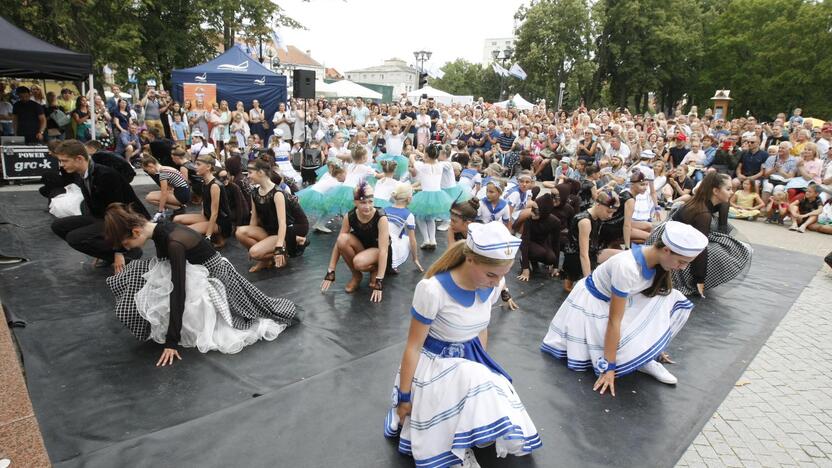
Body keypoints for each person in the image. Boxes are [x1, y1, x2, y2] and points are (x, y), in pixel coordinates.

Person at [384, 222, 541, 467]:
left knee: (492, 384)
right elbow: (413, 347)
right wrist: (405, 398)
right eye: (491, 274)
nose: (497, 282)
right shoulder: (432, 290)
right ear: (470, 259)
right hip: (433, 367)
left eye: (504, 274)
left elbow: (481, 328)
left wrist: (480, 371)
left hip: (467, 363)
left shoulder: (493, 285)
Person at [103, 203, 298, 366]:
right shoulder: (158, 231)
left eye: (127, 244)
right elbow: (167, 268)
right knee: (137, 272)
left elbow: (177, 291)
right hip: (192, 269)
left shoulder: (173, 241)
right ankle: (141, 320)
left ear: (136, 231)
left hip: (215, 276)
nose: (127, 249)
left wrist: (171, 342)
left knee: (249, 316)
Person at [541, 221, 708, 393]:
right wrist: (609, 368)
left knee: (671, 298)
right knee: (619, 338)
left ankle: (645, 355)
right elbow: (614, 321)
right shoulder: (627, 267)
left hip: (624, 299)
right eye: (681, 262)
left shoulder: (660, 260)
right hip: (594, 305)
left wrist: (654, 343)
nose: (682, 268)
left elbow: (656, 296)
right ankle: (639, 357)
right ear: (666, 250)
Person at [50, 140, 150, 273]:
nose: (62, 165)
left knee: (75, 237)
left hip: (127, 220)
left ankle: (129, 252)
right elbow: (93, 208)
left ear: (79, 159)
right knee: (59, 226)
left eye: (65, 161)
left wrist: (118, 251)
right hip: (103, 216)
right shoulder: (82, 174)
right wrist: (98, 250)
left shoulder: (105, 175)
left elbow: (120, 213)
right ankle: (109, 255)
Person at [647, 172, 752, 297]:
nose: (732, 192)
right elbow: (700, 250)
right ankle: (689, 279)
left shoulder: (707, 202)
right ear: (715, 191)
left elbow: (723, 227)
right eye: (728, 189)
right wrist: (699, 279)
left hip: (674, 236)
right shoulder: (702, 213)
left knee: (726, 244)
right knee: (724, 252)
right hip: (669, 242)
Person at [320, 183, 390, 302]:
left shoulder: (381, 217)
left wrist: (379, 280)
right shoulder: (350, 216)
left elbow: (384, 250)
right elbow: (339, 243)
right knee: (342, 239)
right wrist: (330, 270)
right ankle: (357, 275)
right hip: (362, 248)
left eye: (370, 202)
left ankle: (375, 269)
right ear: (355, 202)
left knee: (359, 262)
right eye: (363, 202)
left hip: (378, 250)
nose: (367, 206)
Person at [235, 159, 310, 272]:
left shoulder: (277, 193)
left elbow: (283, 223)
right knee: (240, 232)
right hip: (271, 228)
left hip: (289, 228)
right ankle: (267, 258)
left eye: (250, 172)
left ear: (260, 172)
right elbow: (254, 219)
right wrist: (250, 240)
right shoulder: (255, 193)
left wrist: (279, 247)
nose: (248, 176)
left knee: (254, 252)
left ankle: (282, 252)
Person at [562, 190, 621, 292]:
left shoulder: (596, 215)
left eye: (612, 213)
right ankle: (574, 279)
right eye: (608, 212)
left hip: (591, 251)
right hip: (576, 257)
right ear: (598, 204)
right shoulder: (585, 222)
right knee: (571, 287)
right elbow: (583, 254)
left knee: (622, 255)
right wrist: (588, 282)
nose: (610, 216)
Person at [172, 154, 232, 249]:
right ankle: (214, 237)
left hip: (220, 222)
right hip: (208, 216)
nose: (195, 167)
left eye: (198, 164)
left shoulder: (214, 186)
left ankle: (218, 238)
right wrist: (202, 214)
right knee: (176, 219)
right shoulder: (205, 182)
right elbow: (205, 203)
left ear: (208, 167)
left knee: (187, 230)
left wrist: (208, 236)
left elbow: (215, 214)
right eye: (195, 164)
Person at [408, 144, 454, 249]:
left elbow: (412, 160)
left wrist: (413, 154)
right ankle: (433, 240)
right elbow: (437, 161)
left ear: (427, 155)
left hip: (425, 195)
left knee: (420, 218)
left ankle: (426, 240)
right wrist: (422, 153)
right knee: (430, 218)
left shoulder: (422, 166)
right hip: (438, 195)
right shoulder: (440, 165)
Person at [517, 193, 561, 281]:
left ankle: (534, 260)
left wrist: (556, 266)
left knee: (551, 258)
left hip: (542, 242)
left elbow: (556, 243)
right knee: (540, 253)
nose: (532, 212)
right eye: (532, 209)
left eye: (536, 211)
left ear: (544, 211)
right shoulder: (529, 219)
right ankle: (525, 259)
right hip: (528, 242)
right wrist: (525, 268)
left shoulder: (555, 222)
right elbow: (525, 241)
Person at [385, 182, 423, 272]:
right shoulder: (408, 215)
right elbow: (412, 240)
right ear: (409, 199)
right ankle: (393, 262)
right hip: (391, 245)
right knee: (407, 239)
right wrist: (415, 259)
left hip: (379, 241)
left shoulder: (385, 209)